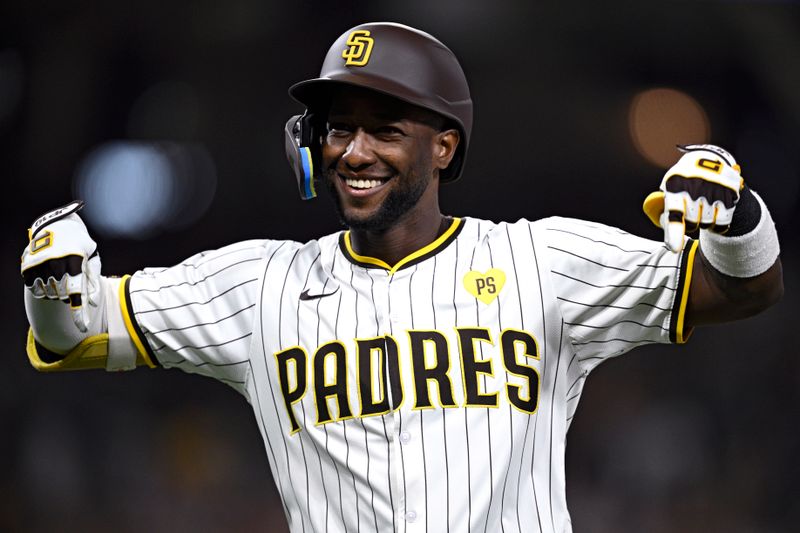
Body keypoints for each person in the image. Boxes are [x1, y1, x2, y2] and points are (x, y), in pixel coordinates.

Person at [21, 21, 782, 533]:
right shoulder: (258, 285)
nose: (355, 151)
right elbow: (78, 329)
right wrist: (50, 288)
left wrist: (739, 218)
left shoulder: (540, 262)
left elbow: (744, 287)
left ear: (445, 146)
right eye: (338, 128)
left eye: (385, 128)